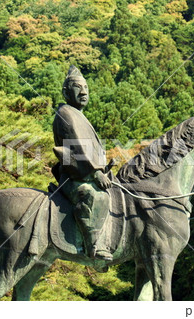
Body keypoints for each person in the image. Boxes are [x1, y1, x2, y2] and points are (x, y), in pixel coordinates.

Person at [52, 65, 113, 261]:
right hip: (73, 176)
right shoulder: (66, 114)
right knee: (98, 197)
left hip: (84, 172)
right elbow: (77, 148)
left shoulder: (78, 115)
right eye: (78, 87)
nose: (84, 92)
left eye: (86, 87)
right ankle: (93, 244)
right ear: (66, 91)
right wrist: (95, 173)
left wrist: (104, 168)